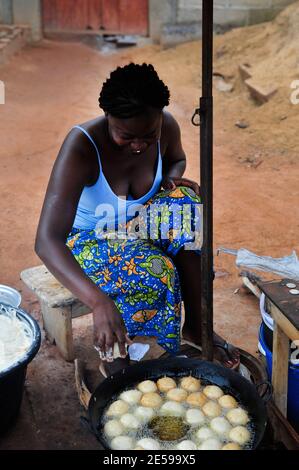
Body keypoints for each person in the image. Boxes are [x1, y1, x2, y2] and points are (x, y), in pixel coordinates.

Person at [35, 63, 239, 373]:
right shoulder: (82, 146)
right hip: (89, 237)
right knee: (156, 272)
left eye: (149, 135)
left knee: (187, 207)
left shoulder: (167, 127)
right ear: (107, 117)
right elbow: (47, 240)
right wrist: (98, 302)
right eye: (126, 136)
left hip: (136, 223)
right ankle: (120, 355)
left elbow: (177, 159)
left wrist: (170, 179)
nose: (139, 145)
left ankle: (197, 327)